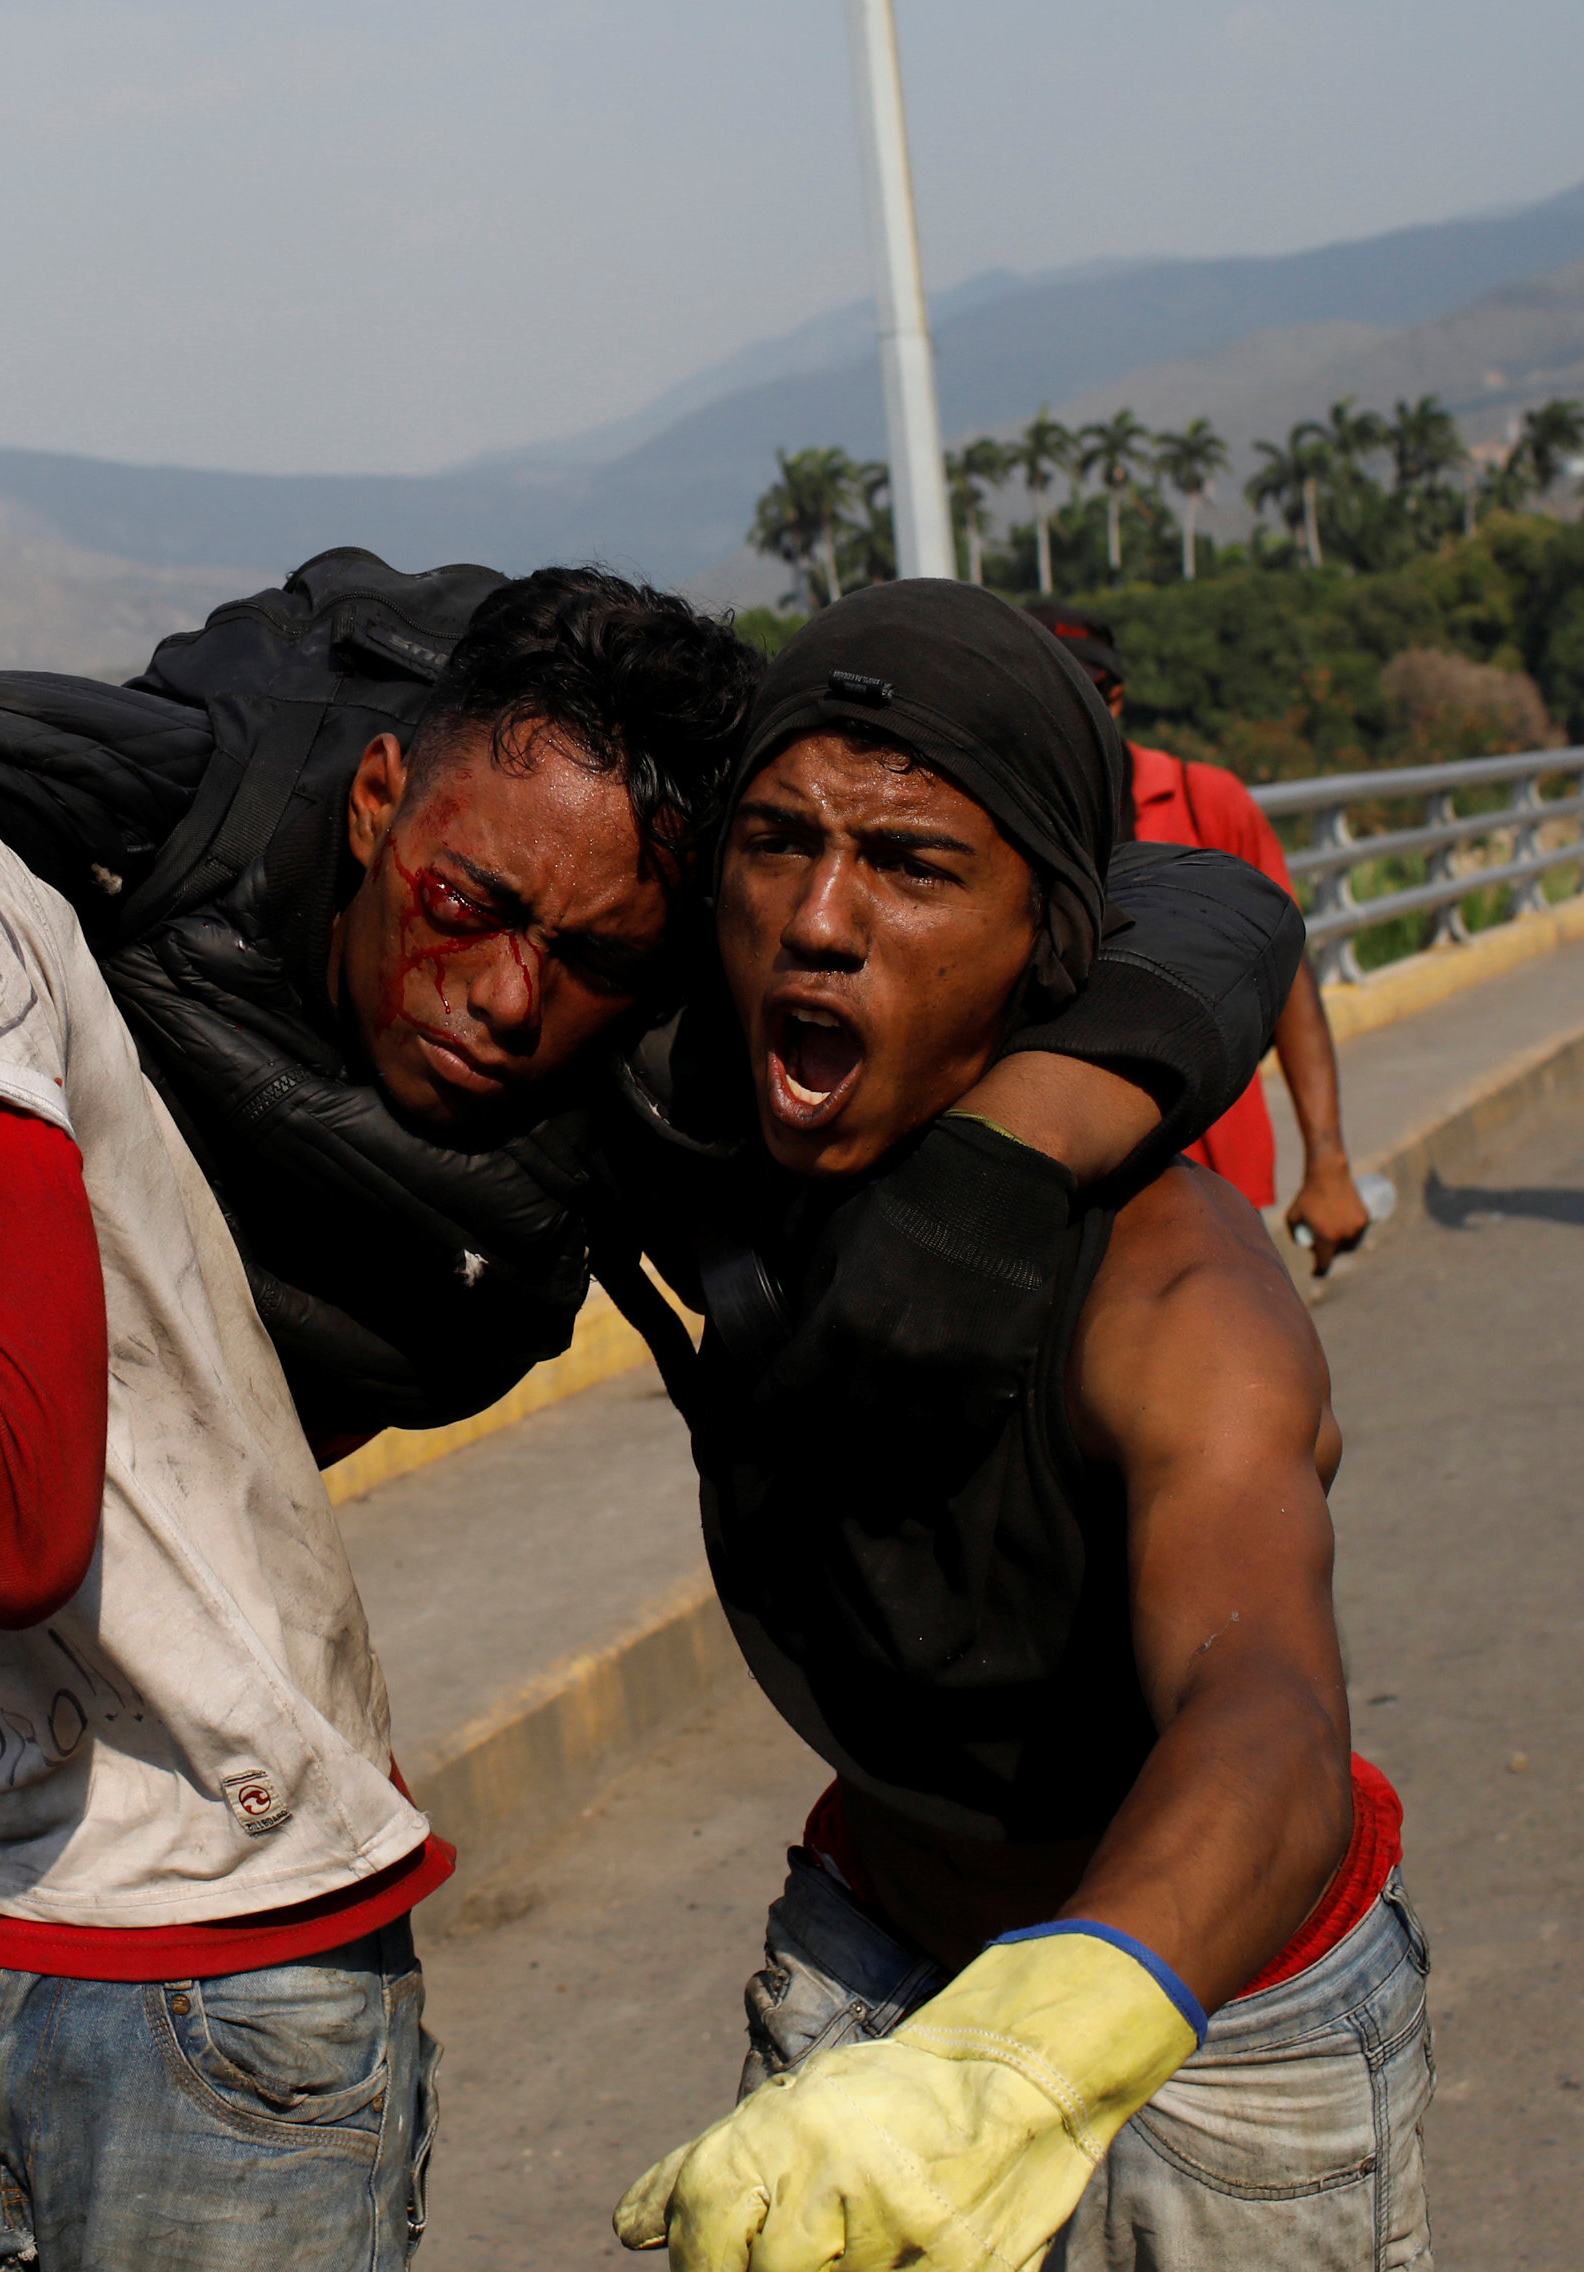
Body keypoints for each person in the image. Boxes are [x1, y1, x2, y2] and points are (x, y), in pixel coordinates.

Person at [0, 339, 1305, 2269]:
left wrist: (1019, 1138)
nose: (505, 999)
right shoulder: (177, 811)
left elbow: (1202, 897)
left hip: (156, 1760)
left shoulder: (669, 972)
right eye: (461, 913)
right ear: (384, 807)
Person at [605, 581, 1428, 2272]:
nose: (818, 919)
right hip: (874, 1948)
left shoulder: (1172, 1287)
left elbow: (1262, 1703)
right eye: (775, 844)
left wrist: (1031, 2050)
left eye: (909, 867)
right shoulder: (708, 1147)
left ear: (1044, 941)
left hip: (1204, 2016)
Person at [1026, 600, 1370, 1274]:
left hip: (1207, 1170)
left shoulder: (1203, 802)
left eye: (1075, 696)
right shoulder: (1005, 823)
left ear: (1113, 699)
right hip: (1058, 1180)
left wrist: (1327, 1165)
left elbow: (1287, 975)